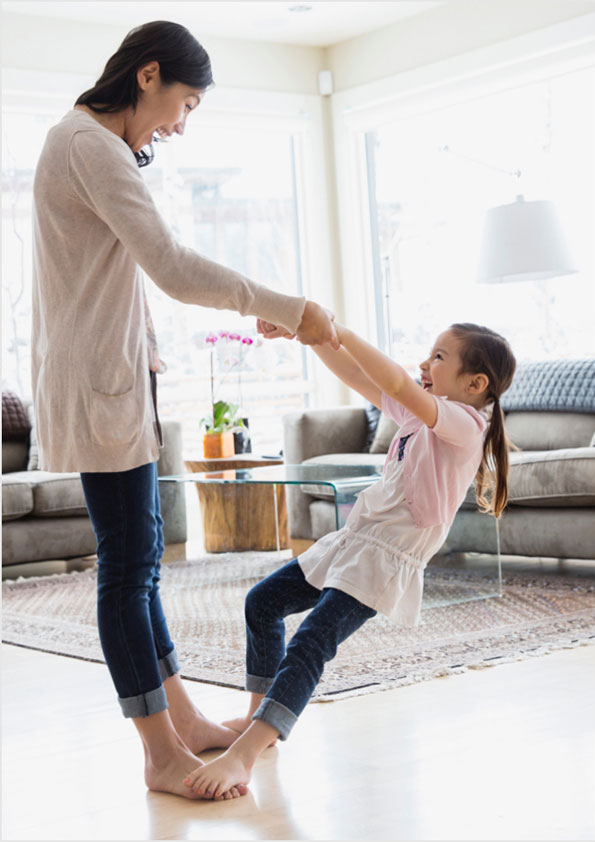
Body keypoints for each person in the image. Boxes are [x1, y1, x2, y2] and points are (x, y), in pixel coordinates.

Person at [31, 20, 338, 801]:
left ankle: (185, 723)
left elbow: (116, 273)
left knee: (142, 559)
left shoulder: (93, 144)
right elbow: (167, 264)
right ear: (148, 75)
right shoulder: (87, 144)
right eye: (185, 102)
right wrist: (289, 304)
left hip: (117, 379)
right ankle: (159, 753)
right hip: (101, 385)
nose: (180, 122)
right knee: (128, 568)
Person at [182, 320, 517, 798]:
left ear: (475, 384)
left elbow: (396, 380)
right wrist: (310, 332)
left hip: (385, 560)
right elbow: (359, 376)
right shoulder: (418, 418)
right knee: (262, 603)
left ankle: (248, 752)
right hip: (355, 542)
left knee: (312, 640)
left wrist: (335, 323)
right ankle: (262, 717)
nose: (425, 363)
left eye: (439, 357)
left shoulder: (465, 425)